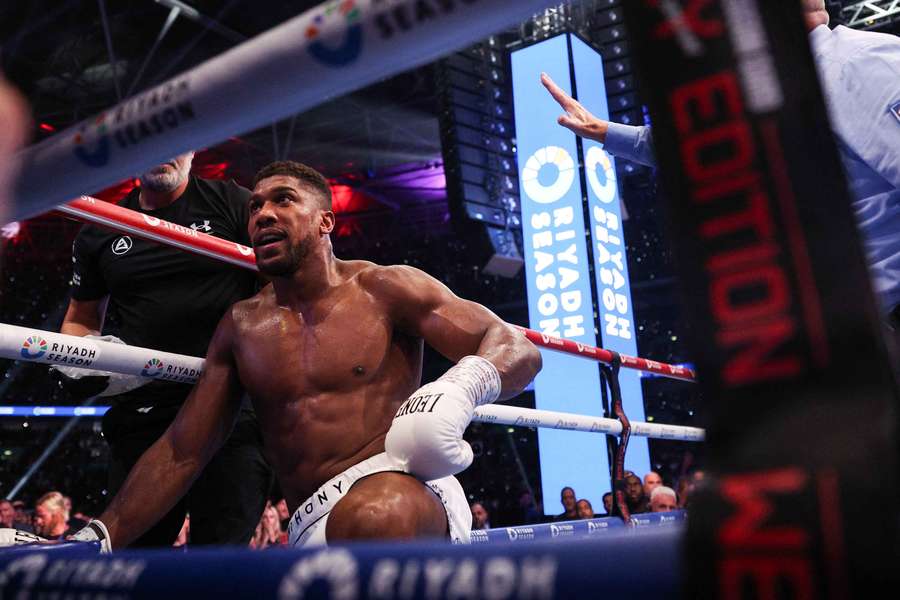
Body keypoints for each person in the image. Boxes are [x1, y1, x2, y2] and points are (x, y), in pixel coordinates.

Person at [68, 160, 541, 549]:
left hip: (402, 490)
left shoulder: (385, 287)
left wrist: (460, 388)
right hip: (312, 522)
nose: (263, 214)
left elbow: (516, 348)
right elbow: (182, 450)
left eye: (283, 200)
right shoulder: (241, 326)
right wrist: (101, 535)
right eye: (254, 206)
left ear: (325, 221)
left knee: (377, 515)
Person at [542, 0, 900, 327]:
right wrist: (604, 131)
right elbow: (707, 145)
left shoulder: (857, 63)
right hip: (852, 332)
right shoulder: (787, 90)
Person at [58, 152, 272, 547]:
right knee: (135, 557)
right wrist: (76, 356)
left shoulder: (233, 203)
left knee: (222, 562)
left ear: (194, 149)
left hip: (231, 407)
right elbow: (80, 318)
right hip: (144, 414)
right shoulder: (102, 227)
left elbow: (279, 286)